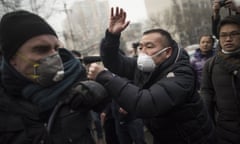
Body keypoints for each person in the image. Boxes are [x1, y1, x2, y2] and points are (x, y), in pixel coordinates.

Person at [87, 7, 216, 144]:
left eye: (149, 46)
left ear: (167, 52)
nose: (143, 52)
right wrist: (112, 36)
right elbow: (114, 62)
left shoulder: (181, 74)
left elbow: (147, 104)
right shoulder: (146, 67)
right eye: (141, 47)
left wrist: (106, 77)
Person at [0, 10, 109, 144]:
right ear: (12, 59)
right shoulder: (5, 105)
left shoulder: (74, 84)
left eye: (56, 49)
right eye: (41, 49)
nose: (54, 57)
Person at [201, 15, 240, 144]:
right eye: (223, 35)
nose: (228, 39)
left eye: (234, 34)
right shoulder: (210, 65)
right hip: (224, 131)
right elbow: (207, 95)